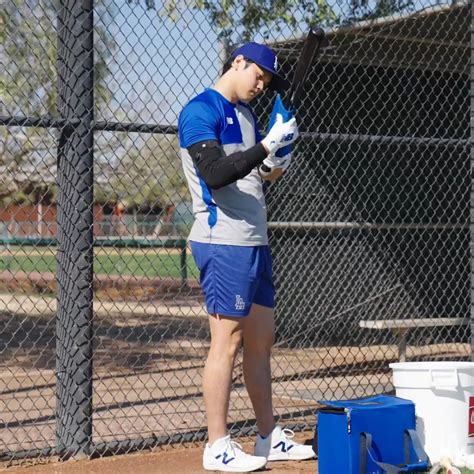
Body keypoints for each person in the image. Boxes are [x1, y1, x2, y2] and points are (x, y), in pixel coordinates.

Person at [178, 42, 315, 472]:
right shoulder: (199, 111)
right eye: (258, 75)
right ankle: (216, 445)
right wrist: (263, 149)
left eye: (268, 81)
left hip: (254, 240)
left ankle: (266, 437)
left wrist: (277, 158)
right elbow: (217, 173)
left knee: (261, 341)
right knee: (228, 342)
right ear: (238, 62)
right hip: (223, 241)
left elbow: (255, 172)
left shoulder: (249, 115)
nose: (261, 85)